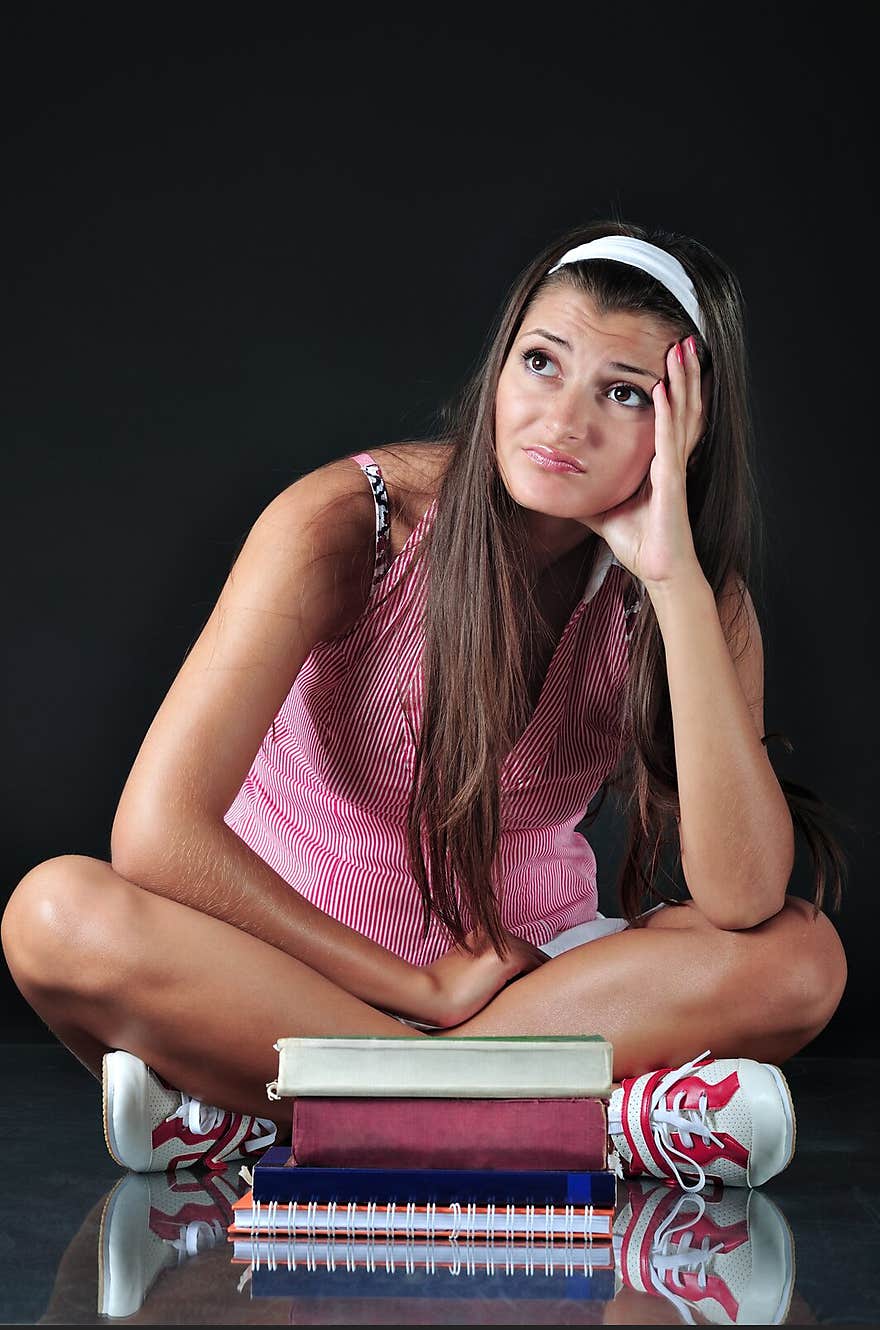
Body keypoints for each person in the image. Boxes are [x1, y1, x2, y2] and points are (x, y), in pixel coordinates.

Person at [1, 219, 849, 1190]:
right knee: (54, 912)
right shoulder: (344, 523)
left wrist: (673, 584)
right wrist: (417, 992)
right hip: (285, 975)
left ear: (687, 430)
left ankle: (265, 1117)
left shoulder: (690, 596)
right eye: (541, 363)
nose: (561, 422)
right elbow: (158, 835)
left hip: (525, 987)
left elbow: (738, 896)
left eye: (623, 393)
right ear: (498, 369)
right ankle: (582, 1122)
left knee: (800, 959)